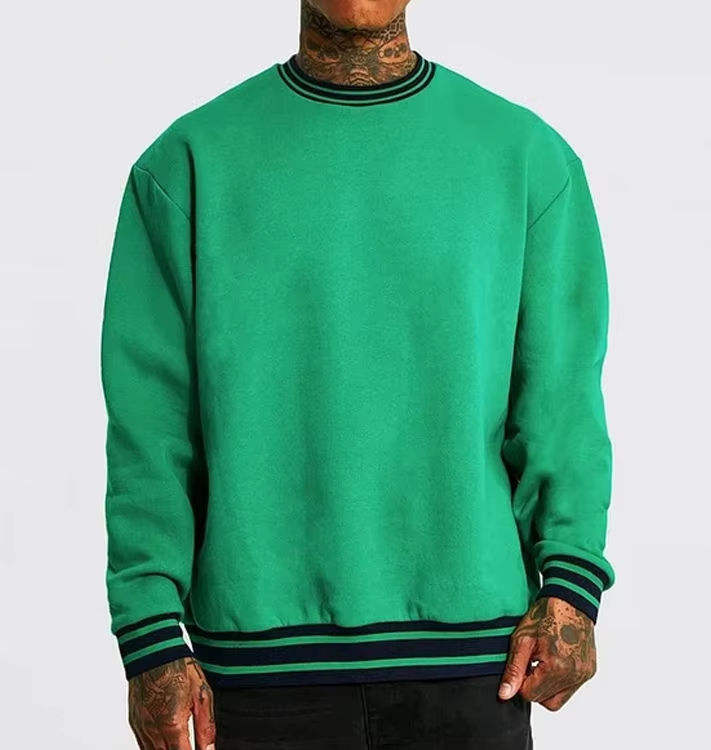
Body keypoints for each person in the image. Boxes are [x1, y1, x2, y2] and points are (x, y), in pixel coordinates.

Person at [101, 1, 614, 747]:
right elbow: (149, 429)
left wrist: (571, 586)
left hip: (475, 664)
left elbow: (561, 404)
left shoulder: (527, 160)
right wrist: (148, 634)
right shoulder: (187, 167)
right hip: (253, 673)